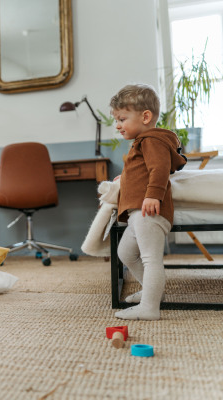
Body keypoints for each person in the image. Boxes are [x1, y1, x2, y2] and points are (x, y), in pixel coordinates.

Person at [110, 84, 186, 321]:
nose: (118, 125)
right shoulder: (145, 141)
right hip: (138, 213)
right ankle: (152, 294)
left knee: (150, 258)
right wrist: (127, 177)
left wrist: (153, 194)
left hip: (149, 210)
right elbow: (145, 169)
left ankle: (149, 307)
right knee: (125, 253)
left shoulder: (151, 139)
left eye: (122, 118)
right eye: (117, 119)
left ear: (145, 116)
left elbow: (159, 168)